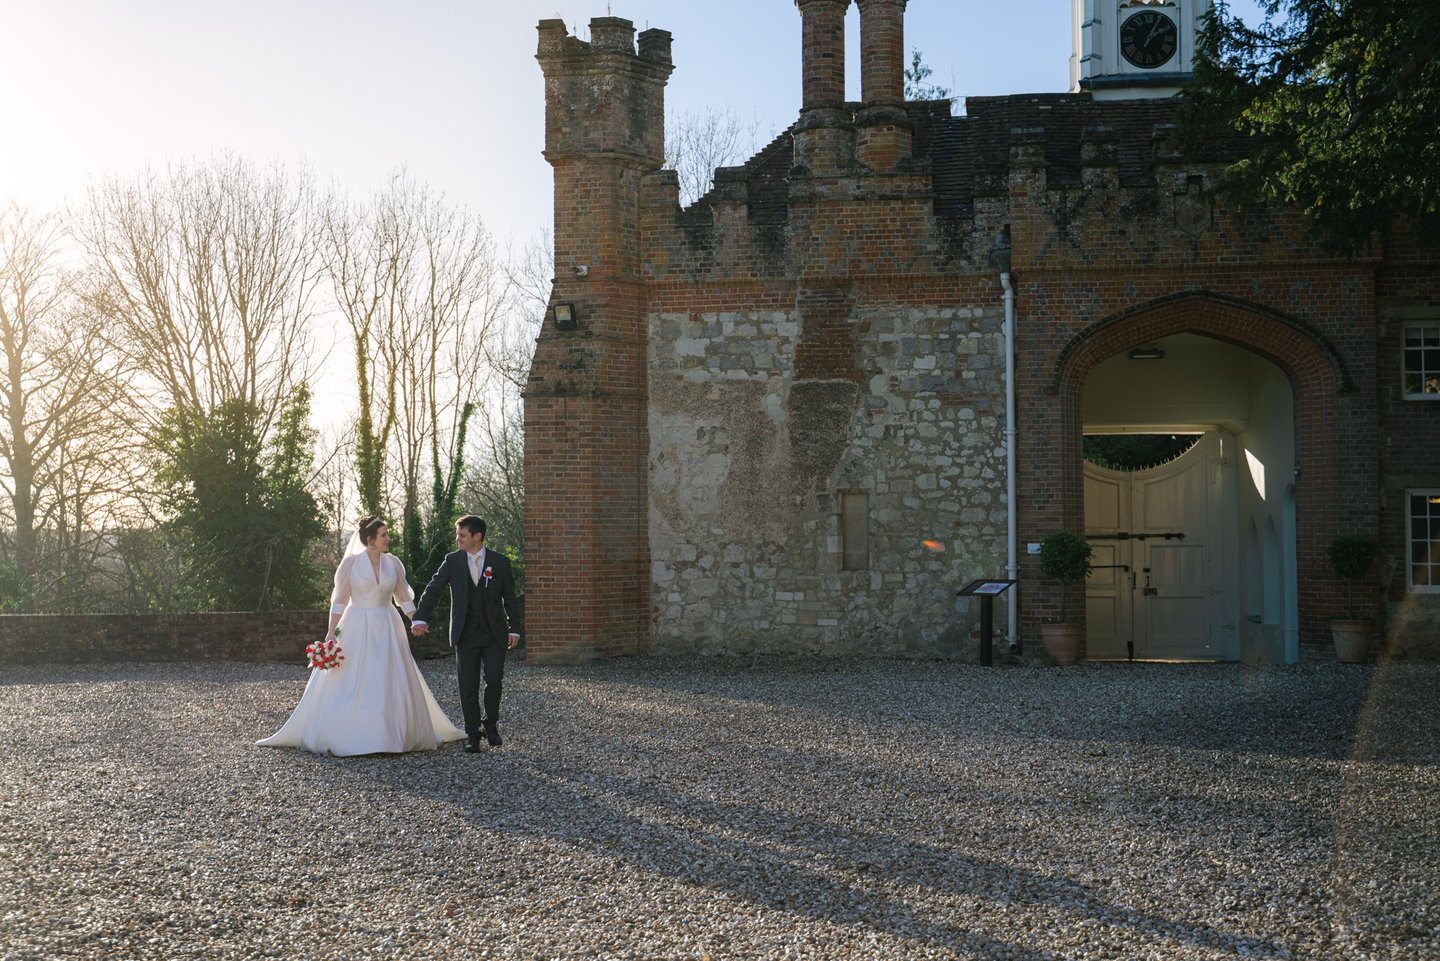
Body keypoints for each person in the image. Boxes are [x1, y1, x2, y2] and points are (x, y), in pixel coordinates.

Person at [258, 516, 465, 755]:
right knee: (355, 677)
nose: (389, 538)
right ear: (370, 540)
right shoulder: (351, 564)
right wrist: (330, 633)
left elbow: (403, 599)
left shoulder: (393, 563)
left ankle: (392, 734)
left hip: (387, 624)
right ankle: (354, 734)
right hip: (357, 623)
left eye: (387, 534)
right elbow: (339, 602)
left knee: (389, 676)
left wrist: (416, 620)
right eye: (384, 535)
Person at [411, 515, 521, 753]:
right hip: (465, 634)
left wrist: (515, 628)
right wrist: (420, 616)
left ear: (477, 536)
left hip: (494, 633)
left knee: (494, 680)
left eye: (461, 534)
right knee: (467, 685)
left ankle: (491, 724)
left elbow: (510, 598)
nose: (457, 539)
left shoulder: (499, 562)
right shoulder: (452, 561)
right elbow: (433, 588)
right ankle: (473, 733)